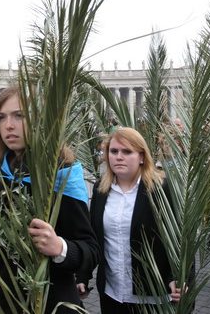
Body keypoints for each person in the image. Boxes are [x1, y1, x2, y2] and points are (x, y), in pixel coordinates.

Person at [0, 87, 99, 314]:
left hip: (48, 302)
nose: (8, 125)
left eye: (19, 116)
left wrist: (59, 247)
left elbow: (90, 250)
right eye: (1, 117)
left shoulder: (61, 175)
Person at [76, 127, 183, 313]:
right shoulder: (101, 190)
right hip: (112, 294)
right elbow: (93, 237)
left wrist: (180, 277)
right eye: (113, 151)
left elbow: (181, 237)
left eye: (127, 151)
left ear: (142, 156)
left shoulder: (161, 189)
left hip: (151, 295)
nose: (119, 156)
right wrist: (82, 276)